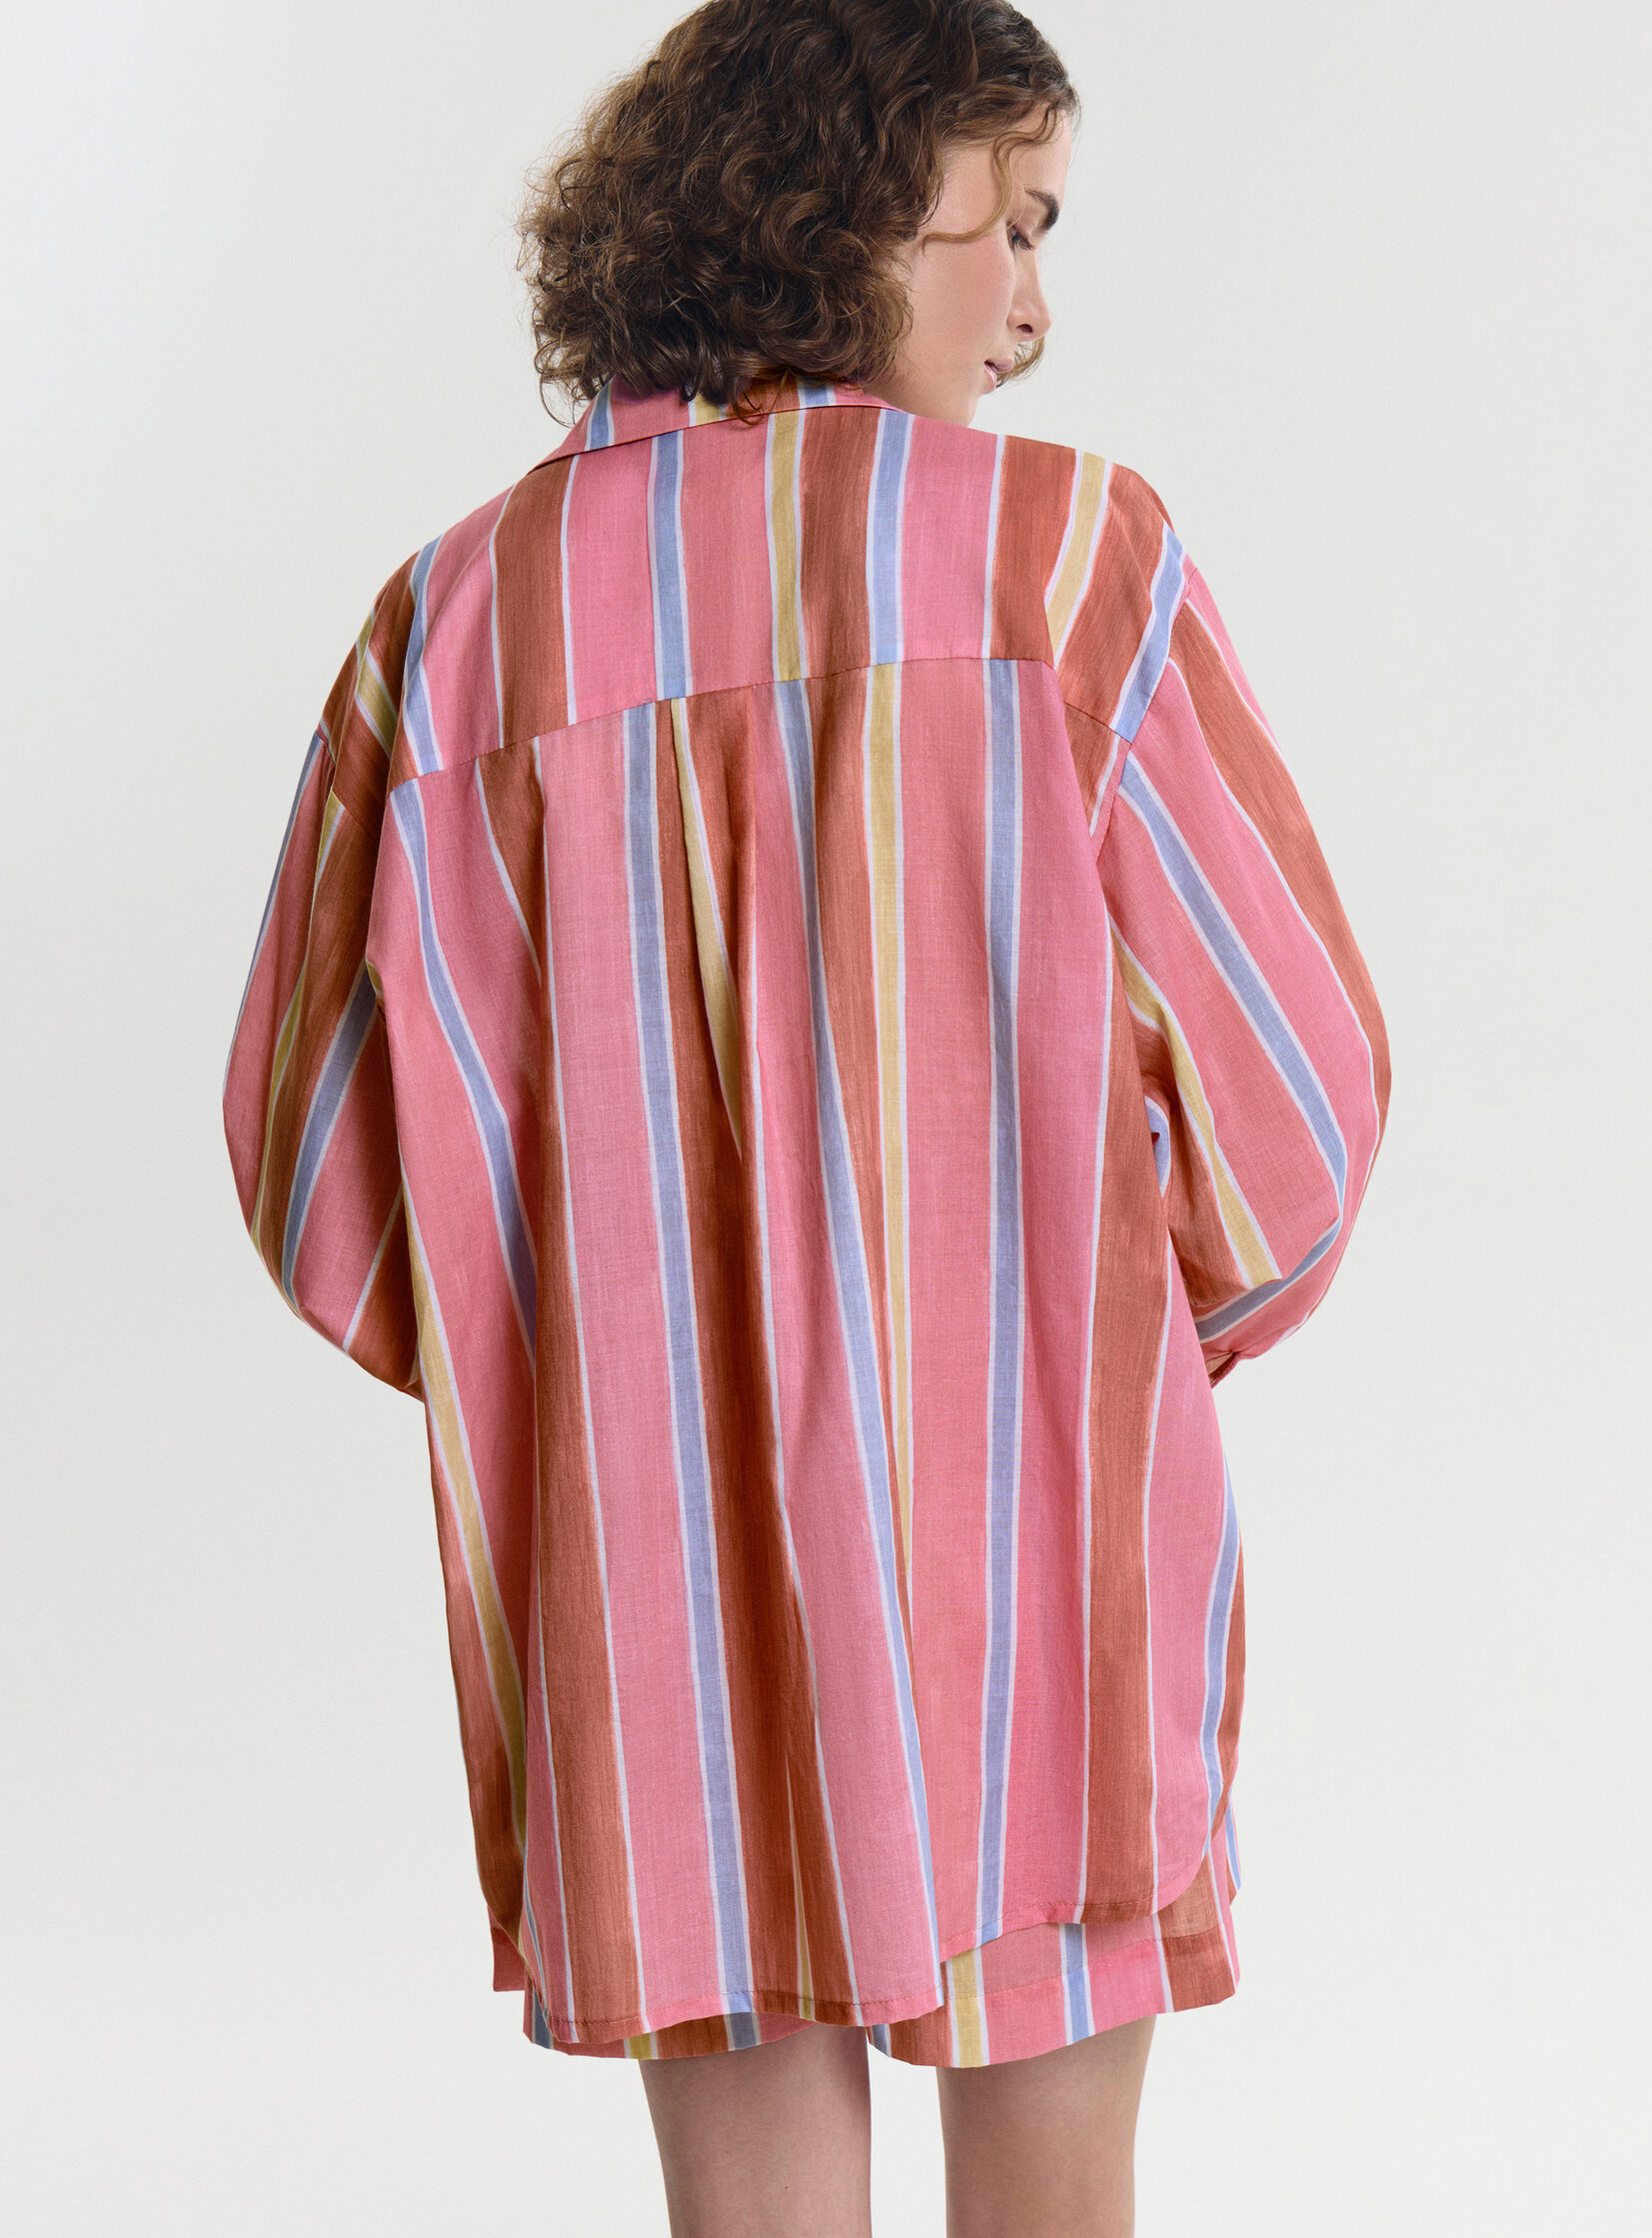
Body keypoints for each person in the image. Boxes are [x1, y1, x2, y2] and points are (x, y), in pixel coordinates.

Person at [221, 1, 1390, 2230]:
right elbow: (1294, 1097)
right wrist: (1100, 1324)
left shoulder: (454, 626)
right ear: (847, 197)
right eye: (1010, 225)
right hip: (1042, 1559)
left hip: (649, 1586)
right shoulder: (1064, 561)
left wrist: (573, 1370)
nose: (1031, 308)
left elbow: (316, 1161)